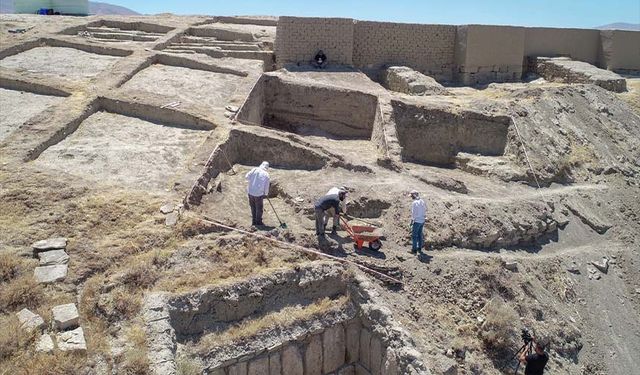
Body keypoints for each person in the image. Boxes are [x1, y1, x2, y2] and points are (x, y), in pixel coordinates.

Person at [245, 161, 270, 226]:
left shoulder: (254, 169)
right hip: (259, 194)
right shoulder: (266, 174)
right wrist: (266, 193)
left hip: (250, 192)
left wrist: (252, 181)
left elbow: (246, 177)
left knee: (253, 207)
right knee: (259, 208)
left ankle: (254, 221)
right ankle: (258, 222)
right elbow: (267, 186)